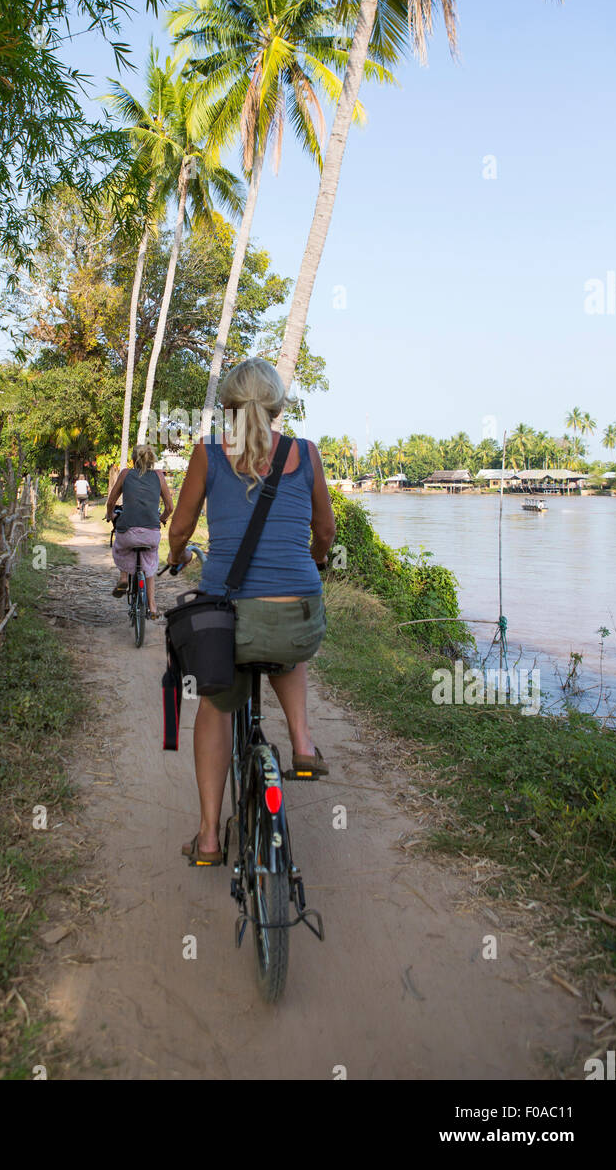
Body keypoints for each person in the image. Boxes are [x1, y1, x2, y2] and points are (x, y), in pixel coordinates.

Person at [167, 357, 336, 865]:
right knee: (289, 638)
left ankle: (209, 840)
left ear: (229, 406)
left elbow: (179, 530)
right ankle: (303, 745)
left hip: (227, 622)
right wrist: (316, 562)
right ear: (278, 405)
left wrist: (176, 558)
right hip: (299, 616)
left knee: (215, 707)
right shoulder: (306, 453)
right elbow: (324, 532)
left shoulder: (208, 455)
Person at [105, 443, 173, 620]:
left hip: (128, 531)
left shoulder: (126, 473)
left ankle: (124, 578)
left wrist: (110, 514)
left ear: (133, 460)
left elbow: (111, 501)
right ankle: (152, 606)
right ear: (151, 460)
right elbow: (169, 507)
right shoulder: (159, 475)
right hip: (151, 533)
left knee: (121, 547)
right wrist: (161, 519)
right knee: (149, 565)